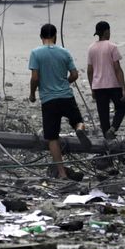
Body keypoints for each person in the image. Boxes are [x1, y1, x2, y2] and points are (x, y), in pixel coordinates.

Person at [29, 23, 91, 180]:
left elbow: (35, 77)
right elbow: (75, 74)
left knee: (52, 138)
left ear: (41, 37)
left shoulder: (36, 53)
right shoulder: (64, 52)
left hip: (49, 100)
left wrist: (32, 93)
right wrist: (64, 82)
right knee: (78, 121)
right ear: (55, 36)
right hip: (66, 96)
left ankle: (62, 173)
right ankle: (79, 128)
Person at [87, 20, 125, 139]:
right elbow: (117, 69)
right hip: (113, 85)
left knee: (103, 115)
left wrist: (92, 88)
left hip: (98, 86)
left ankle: (107, 144)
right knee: (121, 107)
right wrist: (124, 89)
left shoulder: (91, 48)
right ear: (107, 31)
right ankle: (113, 128)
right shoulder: (112, 46)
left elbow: (89, 71)